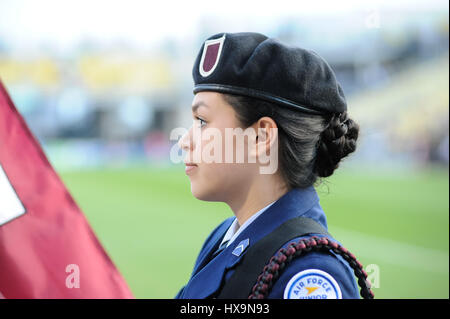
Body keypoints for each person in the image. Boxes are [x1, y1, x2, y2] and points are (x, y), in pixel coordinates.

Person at [175, 32, 373, 299]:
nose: (185, 141)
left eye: (202, 121)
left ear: (261, 136)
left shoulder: (308, 274)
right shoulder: (223, 236)